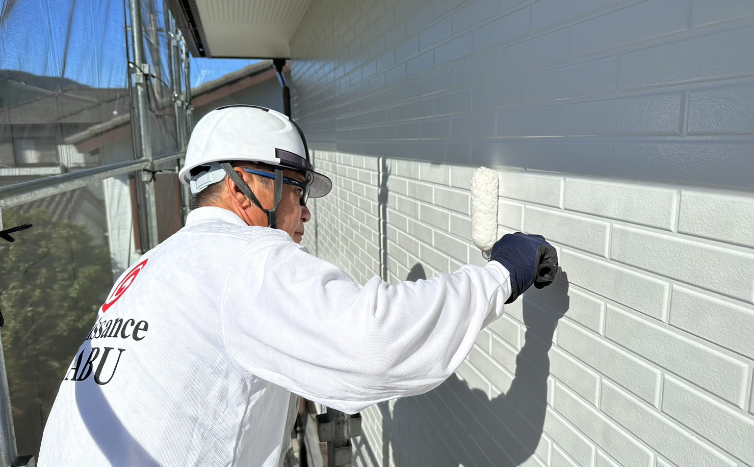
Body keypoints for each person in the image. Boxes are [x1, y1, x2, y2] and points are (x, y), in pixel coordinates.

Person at [38, 105, 558, 466]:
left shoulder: (153, 266)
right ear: (250, 186)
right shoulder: (243, 260)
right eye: (297, 188)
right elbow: (374, 342)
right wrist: (500, 275)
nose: (305, 211)